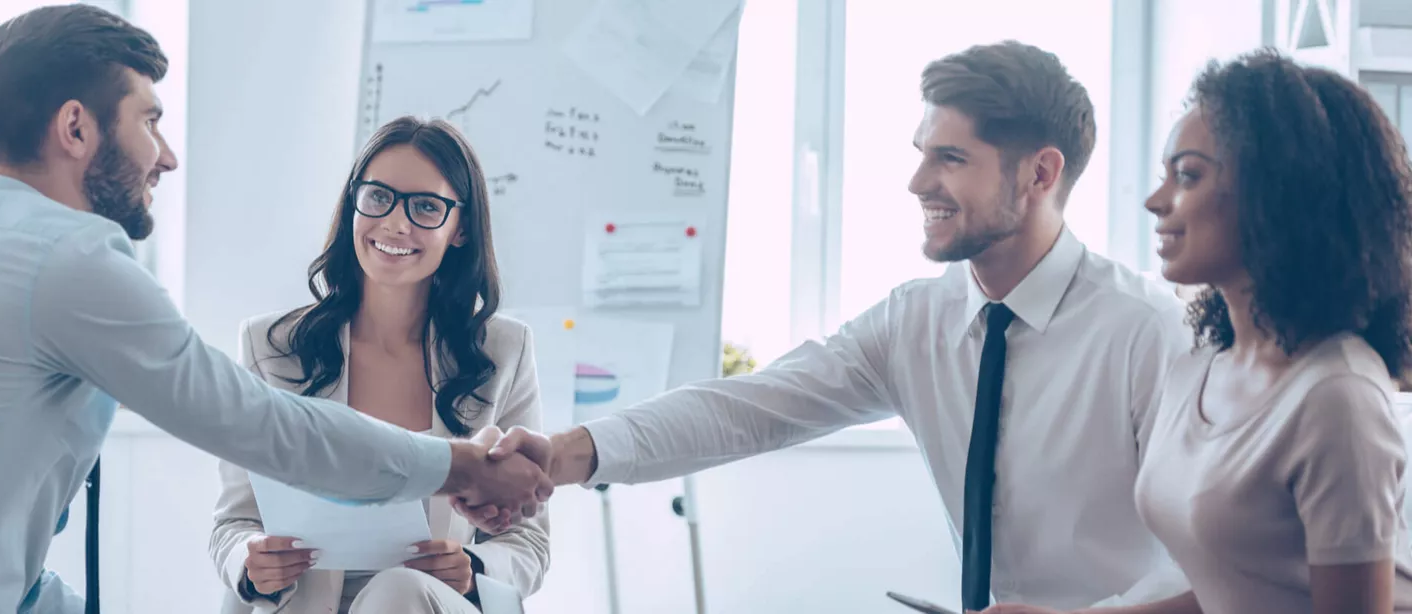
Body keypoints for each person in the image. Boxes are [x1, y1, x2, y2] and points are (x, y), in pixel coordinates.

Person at [470, 41, 1192, 610]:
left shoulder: (1148, 333)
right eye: (921, 154)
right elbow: (749, 409)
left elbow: (1229, 564)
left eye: (950, 158)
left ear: (1040, 174)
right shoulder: (917, 321)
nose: (916, 184)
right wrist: (563, 455)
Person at [0, 7, 547, 613]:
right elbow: (260, 425)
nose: (165, 157)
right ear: (76, 128)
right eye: (149, 120)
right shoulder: (68, 263)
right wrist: (456, 465)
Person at [987, 50, 1412, 614]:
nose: (1154, 200)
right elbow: (1234, 589)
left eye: (1187, 175)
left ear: (1278, 193)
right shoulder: (1204, 362)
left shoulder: (1337, 399)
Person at [211, 117, 549, 614]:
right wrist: (251, 564)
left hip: (429, 604)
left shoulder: (504, 351)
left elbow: (530, 544)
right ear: (354, 203)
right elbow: (233, 522)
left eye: (426, 207)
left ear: (460, 230)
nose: (394, 223)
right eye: (377, 197)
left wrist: (473, 568)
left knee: (399, 590)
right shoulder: (271, 345)